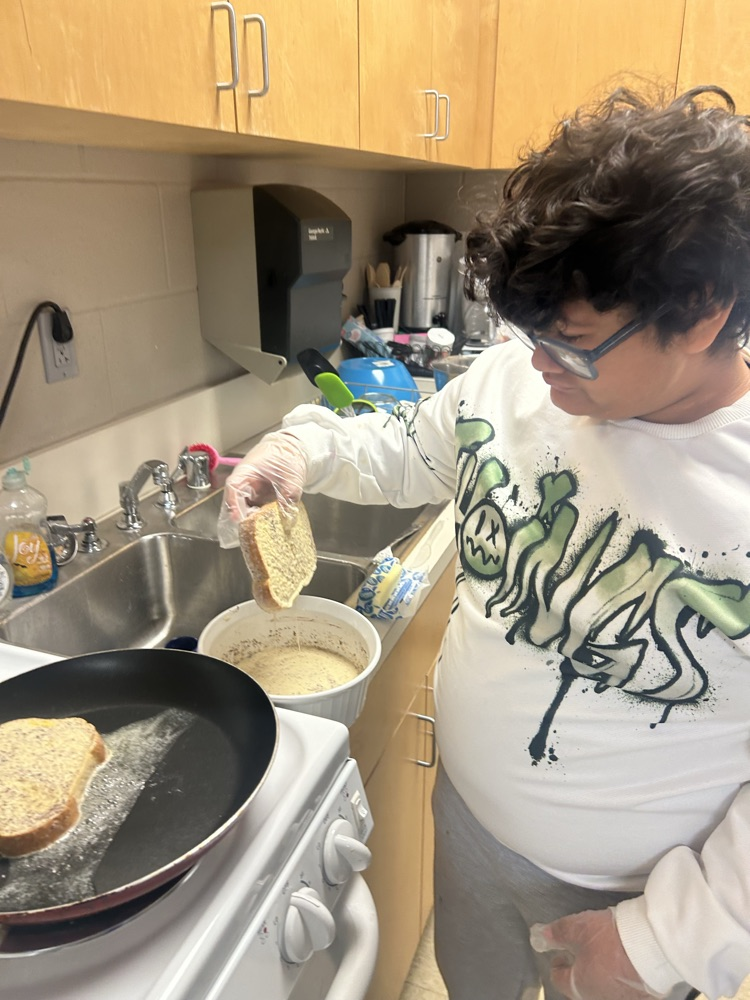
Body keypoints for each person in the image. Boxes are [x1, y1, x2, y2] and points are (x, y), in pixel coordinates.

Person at [223, 85, 750, 1000]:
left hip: (635, 896)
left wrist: (668, 942)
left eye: (572, 343)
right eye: (527, 333)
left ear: (704, 311)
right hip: (467, 823)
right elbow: (407, 451)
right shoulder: (515, 378)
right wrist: (304, 448)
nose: (539, 366)